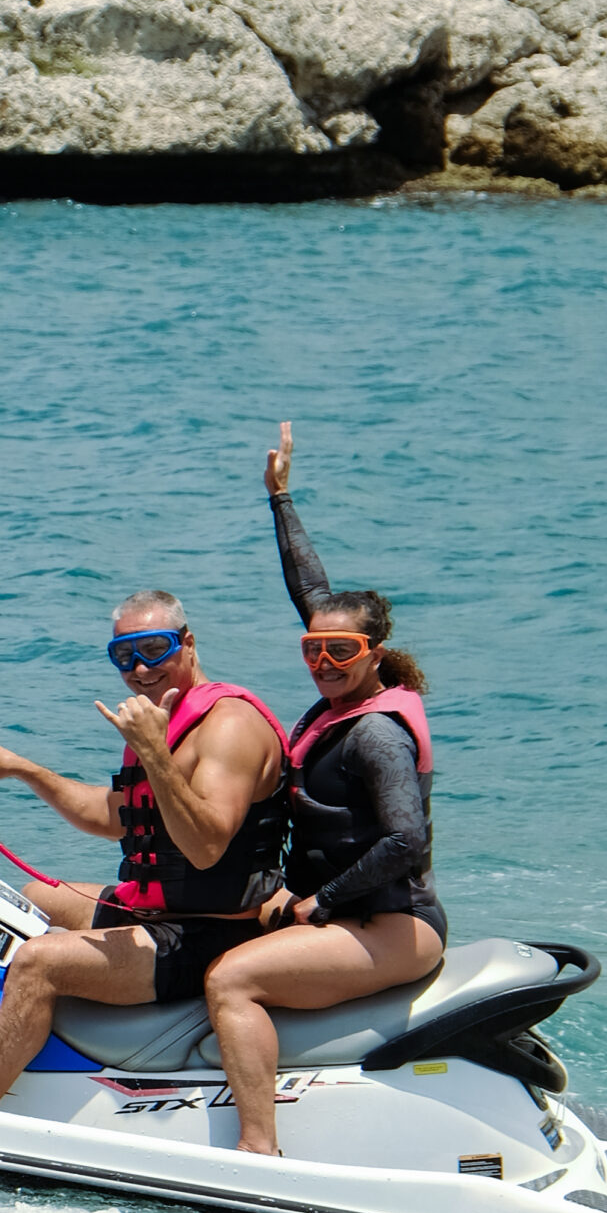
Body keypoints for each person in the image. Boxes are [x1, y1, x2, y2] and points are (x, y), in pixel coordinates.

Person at [203, 424, 448, 1155]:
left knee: (230, 981)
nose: (323, 661)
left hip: (391, 922)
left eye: (341, 650)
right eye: (313, 648)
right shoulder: (343, 700)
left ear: (374, 654)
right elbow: (311, 591)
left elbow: (406, 839)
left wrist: (321, 902)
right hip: (344, 912)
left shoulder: (376, 734)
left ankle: (258, 1148)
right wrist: (279, 498)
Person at [0, 590, 290, 1109]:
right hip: (161, 912)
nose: (140, 668)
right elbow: (114, 816)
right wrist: (22, 769)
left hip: (209, 933)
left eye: (154, 648)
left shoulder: (229, 727)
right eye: (124, 655)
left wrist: (153, 750)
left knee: (38, 962)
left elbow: (206, 846)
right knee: (32, 898)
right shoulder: (163, 719)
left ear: (188, 643)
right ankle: (24, 1045)